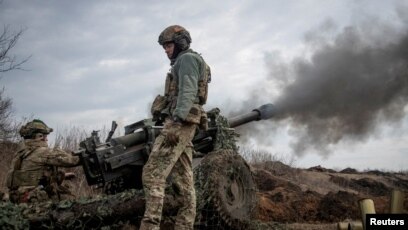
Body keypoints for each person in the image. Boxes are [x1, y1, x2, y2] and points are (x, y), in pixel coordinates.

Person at [140, 25, 211, 230]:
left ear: (180, 43)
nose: (166, 50)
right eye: (164, 46)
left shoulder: (186, 59)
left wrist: (177, 121)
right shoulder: (189, 60)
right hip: (186, 123)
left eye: (169, 45)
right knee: (184, 182)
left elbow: (188, 91)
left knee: (152, 173)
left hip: (180, 123)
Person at [6, 119, 80, 203]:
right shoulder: (41, 152)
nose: (47, 139)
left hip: (19, 197)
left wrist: (63, 175)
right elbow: (72, 161)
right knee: (64, 196)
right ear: (39, 136)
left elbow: (29, 176)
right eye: (45, 136)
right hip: (32, 200)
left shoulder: (22, 152)